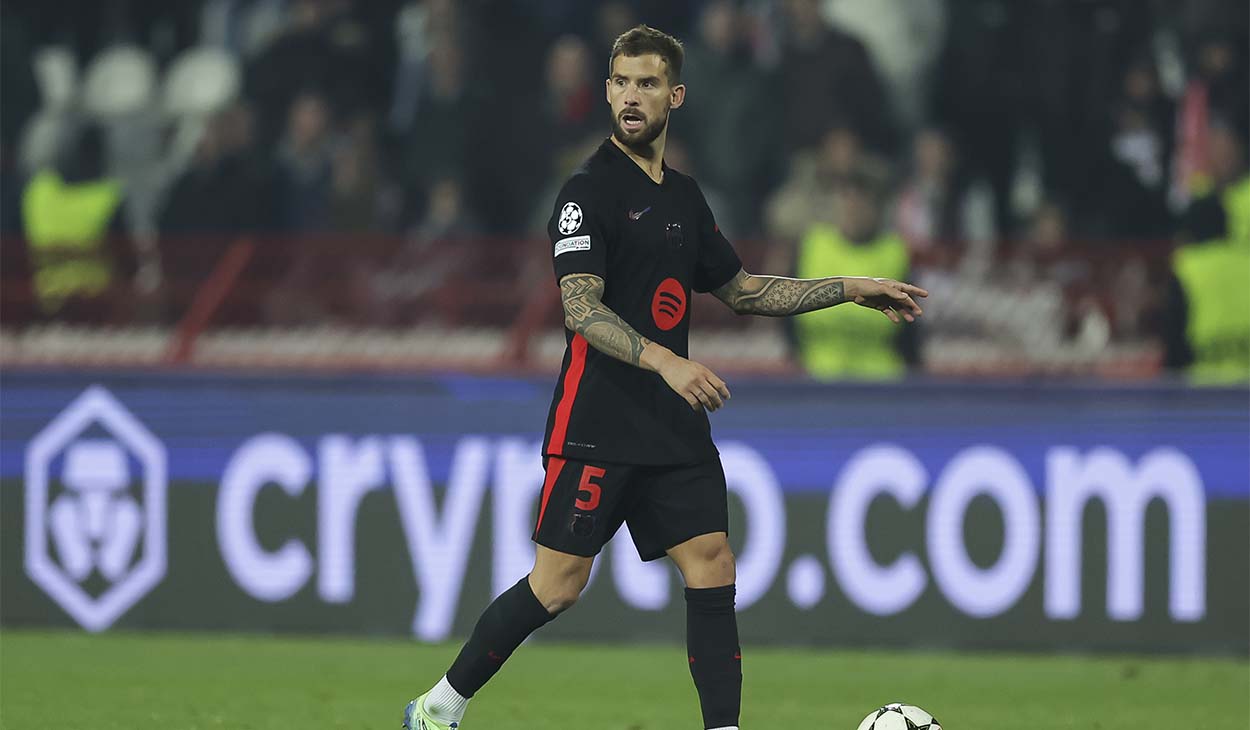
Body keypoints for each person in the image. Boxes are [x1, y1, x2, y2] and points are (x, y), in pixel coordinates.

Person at [402, 25, 927, 730]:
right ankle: (439, 707)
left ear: (674, 95)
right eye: (620, 81)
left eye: (647, 83)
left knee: (712, 560)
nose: (630, 95)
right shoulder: (585, 193)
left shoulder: (683, 197)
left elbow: (742, 291)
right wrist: (666, 360)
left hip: (671, 422)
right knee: (558, 585)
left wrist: (848, 287)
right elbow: (581, 309)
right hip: (598, 418)